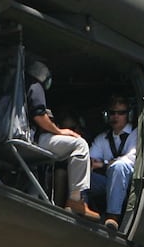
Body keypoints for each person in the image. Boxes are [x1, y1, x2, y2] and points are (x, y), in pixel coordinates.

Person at [25, 61, 98, 220]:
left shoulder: (17, 85)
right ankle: (76, 200)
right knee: (80, 144)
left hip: (22, 135)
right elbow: (39, 115)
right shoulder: (35, 86)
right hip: (31, 137)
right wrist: (60, 131)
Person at [89, 96, 136, 230]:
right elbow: (91, 161)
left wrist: (103, 165)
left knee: (120, 166)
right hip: (106, 182)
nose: (116, 116)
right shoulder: (102, 138)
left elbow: (131, 159)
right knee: (83, 173)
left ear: (129, 115)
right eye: (112, 113)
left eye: (121, 113)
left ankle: (112, 217)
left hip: (128, 185)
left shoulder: (136, 134)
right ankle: (82, 208)